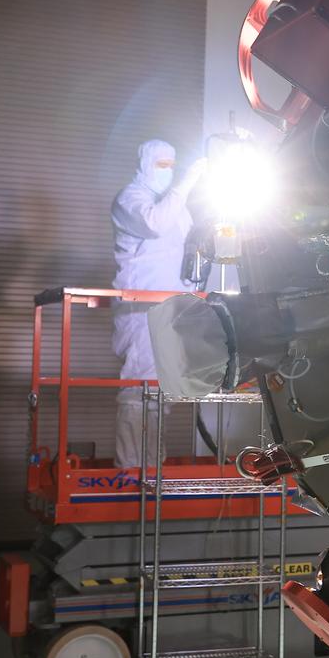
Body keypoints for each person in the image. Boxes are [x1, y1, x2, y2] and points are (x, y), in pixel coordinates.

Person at [111, 139, 207, 466]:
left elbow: (188, 250)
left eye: (172, 164)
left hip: (171, 309)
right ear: (145, 163)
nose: (167, 171)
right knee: (140, 385)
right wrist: (190, 179)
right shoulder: (130, 198)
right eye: (160, 164)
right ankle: (133, 472)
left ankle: (153, 470)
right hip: (141, 308)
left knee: (160, 391)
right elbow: (155, 223)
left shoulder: (176, 205)